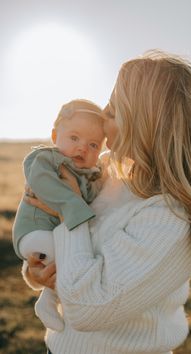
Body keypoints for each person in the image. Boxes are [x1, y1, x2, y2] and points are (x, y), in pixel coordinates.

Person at [22, 50, 191, 354]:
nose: (102, 122)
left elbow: (87, 308)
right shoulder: (111, 172)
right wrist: (38, 271)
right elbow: (73, 253)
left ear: (144, 121)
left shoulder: (172, 215)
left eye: (111, 112)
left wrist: (71, 207)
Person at [12, 99, 105, 332]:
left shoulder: (88, 174)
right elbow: (45, 185)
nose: (82, 147)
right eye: (74, 138)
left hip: (48, 237)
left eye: (93, 145)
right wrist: (76, 208)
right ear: (55, 136)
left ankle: (48, 300)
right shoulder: (46, 159)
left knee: (67, 260)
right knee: (69, 257)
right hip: (35, 232)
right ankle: (49, 301)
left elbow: (90, 195)